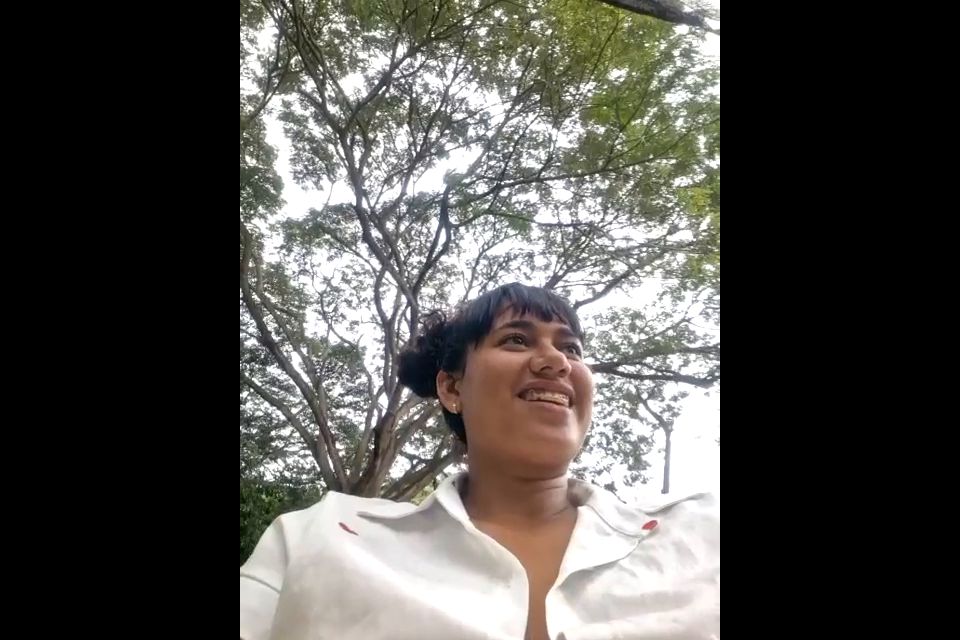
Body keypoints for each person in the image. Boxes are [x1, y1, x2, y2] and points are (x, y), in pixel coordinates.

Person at [240, 283, 719, 640]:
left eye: (570, 348)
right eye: (516, 340)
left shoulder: (701, 531)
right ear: (452, 387)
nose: (556, 361)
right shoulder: (319, 537)